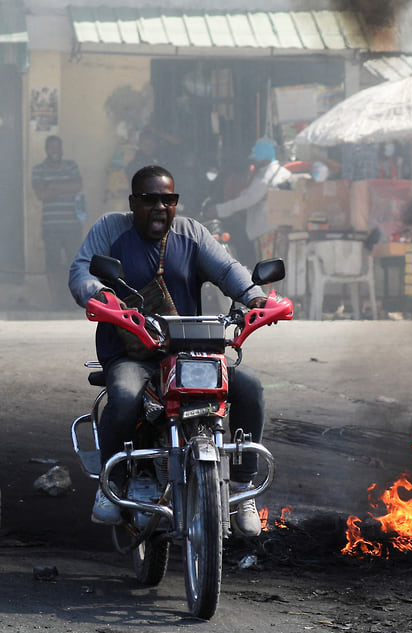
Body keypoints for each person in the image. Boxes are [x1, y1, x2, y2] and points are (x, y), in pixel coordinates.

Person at [69, 164, 269, 536]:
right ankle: (113, 483)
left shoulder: (191, 233)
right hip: (130, 352)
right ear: (133, 203)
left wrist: (255, 297)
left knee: (250, 388)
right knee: (126, 397)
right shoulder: (111, 230)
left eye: (168, 199)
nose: (160, 207)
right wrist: (100, 295)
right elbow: (82, 272)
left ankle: (242, 487)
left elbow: (227, 270)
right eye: (149, 200)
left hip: (186, 351)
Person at [208, 139, 293, 264]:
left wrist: (219, 210)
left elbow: (248, 199)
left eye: (256, 158)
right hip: (277, 229)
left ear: (264, 158)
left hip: (267, 231)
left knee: (268, 269)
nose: (254, 161)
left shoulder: (266, 175)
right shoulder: (282, 172)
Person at [32, 135, 84, 306]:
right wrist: (64, 188)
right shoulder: (38, 170)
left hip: (72, 225)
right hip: (50, 226)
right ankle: (56, 301)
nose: (55, 151)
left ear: (62, 149)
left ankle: (73, 300)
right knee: (52, 263)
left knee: (74, 262)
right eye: (52, 147)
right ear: (46, 150)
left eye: (58, 147)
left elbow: (77, 186)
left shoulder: (71, 166)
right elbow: (41, 194)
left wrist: (53, 187)